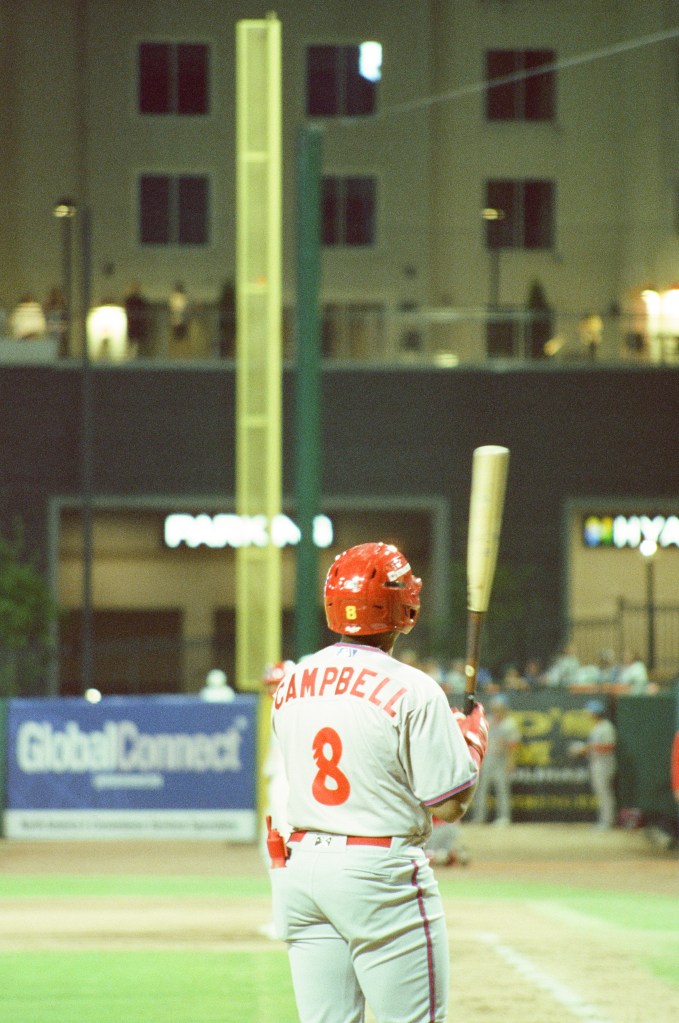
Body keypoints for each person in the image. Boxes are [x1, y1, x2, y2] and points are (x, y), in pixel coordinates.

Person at [269, 541, 488, 1023]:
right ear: (403, 607)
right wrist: (471, 743)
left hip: (301, 871)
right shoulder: (414, 688)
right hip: (378, 873)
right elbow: (450, 804)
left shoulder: (292, 682)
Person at [472, 692, 521, 826]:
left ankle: (504, 817)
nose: (496, 711)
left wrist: (511, 763)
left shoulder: (510, 724)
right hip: (487, 760)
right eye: (494, 708)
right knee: (481, 790)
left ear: (505, 709)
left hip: (502, 761)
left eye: (499, 708)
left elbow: (513, 746)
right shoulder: (487, 720)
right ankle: (479, 817)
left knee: (502, 790)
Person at [570, 699, 617, 829]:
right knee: (601, 792)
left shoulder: (606, 727)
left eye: (589, 712)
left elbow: (609, 747)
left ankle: (607, 821)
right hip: (597, 762)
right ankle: (605, 820)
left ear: (595, 713)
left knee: (604, 792)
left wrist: (585, 749)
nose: (587, 715)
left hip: (604, 764)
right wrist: (584, 749)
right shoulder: (597, 727)